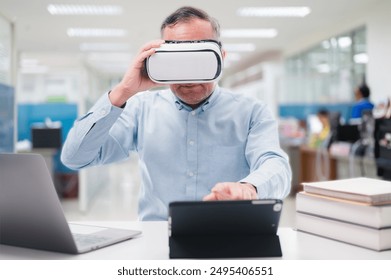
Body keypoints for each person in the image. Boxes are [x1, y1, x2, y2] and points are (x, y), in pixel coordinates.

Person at [61, 6, 292, 221]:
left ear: (220, 57)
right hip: (157, 236)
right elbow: (75, 157)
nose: (189, 77)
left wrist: (249, 188)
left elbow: (275, 165)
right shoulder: (140, 109)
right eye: (179, 60)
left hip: (227, 231)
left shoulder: (251, 111)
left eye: (199, 59)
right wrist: (122, 92)